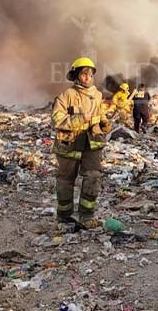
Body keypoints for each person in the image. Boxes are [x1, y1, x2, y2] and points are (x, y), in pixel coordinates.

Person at [51, 57, 111, 226]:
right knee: (65, 180)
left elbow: (100, 115)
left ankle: (86, 215)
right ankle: (64, 216)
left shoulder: (98, 96)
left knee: (93, 176)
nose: (87, 77)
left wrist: (104, 123)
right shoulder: (66, 96)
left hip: (92, 144)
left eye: (90, 74)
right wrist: (79, 119)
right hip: (69, 144)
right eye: (84, 74)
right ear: (76, 75)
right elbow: (57, 119)